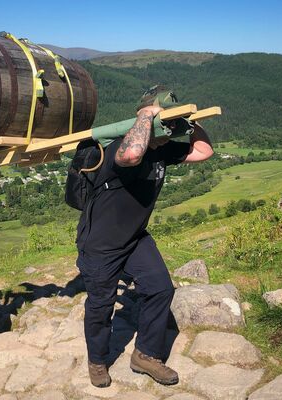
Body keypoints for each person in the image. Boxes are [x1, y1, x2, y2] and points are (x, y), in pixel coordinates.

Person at [75, 105, 214, 387]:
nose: (169, 133)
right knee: (101, 306)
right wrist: (146, 115)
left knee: (160, 288)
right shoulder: (119, 147)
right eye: (166, 126)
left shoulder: (161, 149)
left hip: (135, 237)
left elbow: (203, 152)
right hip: (101, 244)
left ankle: (146, 355)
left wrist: (192, 124)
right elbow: (132, 155)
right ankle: (98, 361)